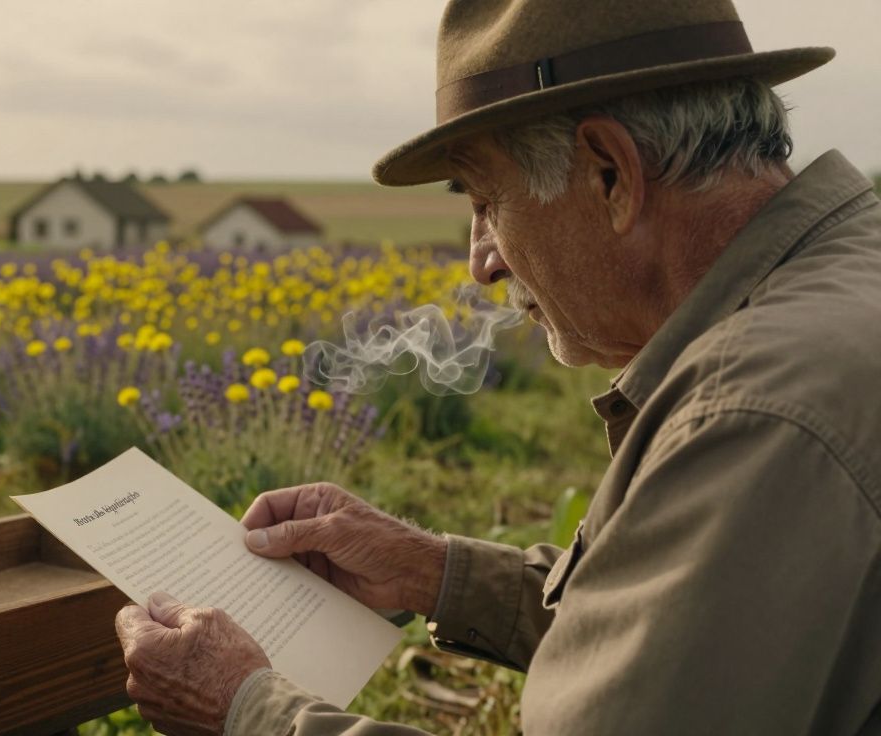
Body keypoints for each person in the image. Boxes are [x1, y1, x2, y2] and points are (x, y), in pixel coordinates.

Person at [115, 0, 881, 732]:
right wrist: (433, 573)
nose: (480, 263)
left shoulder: (752, 414)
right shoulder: (841, 280)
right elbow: (710, 646)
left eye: (486, 201)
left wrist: (248, 713)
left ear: (609, 174)